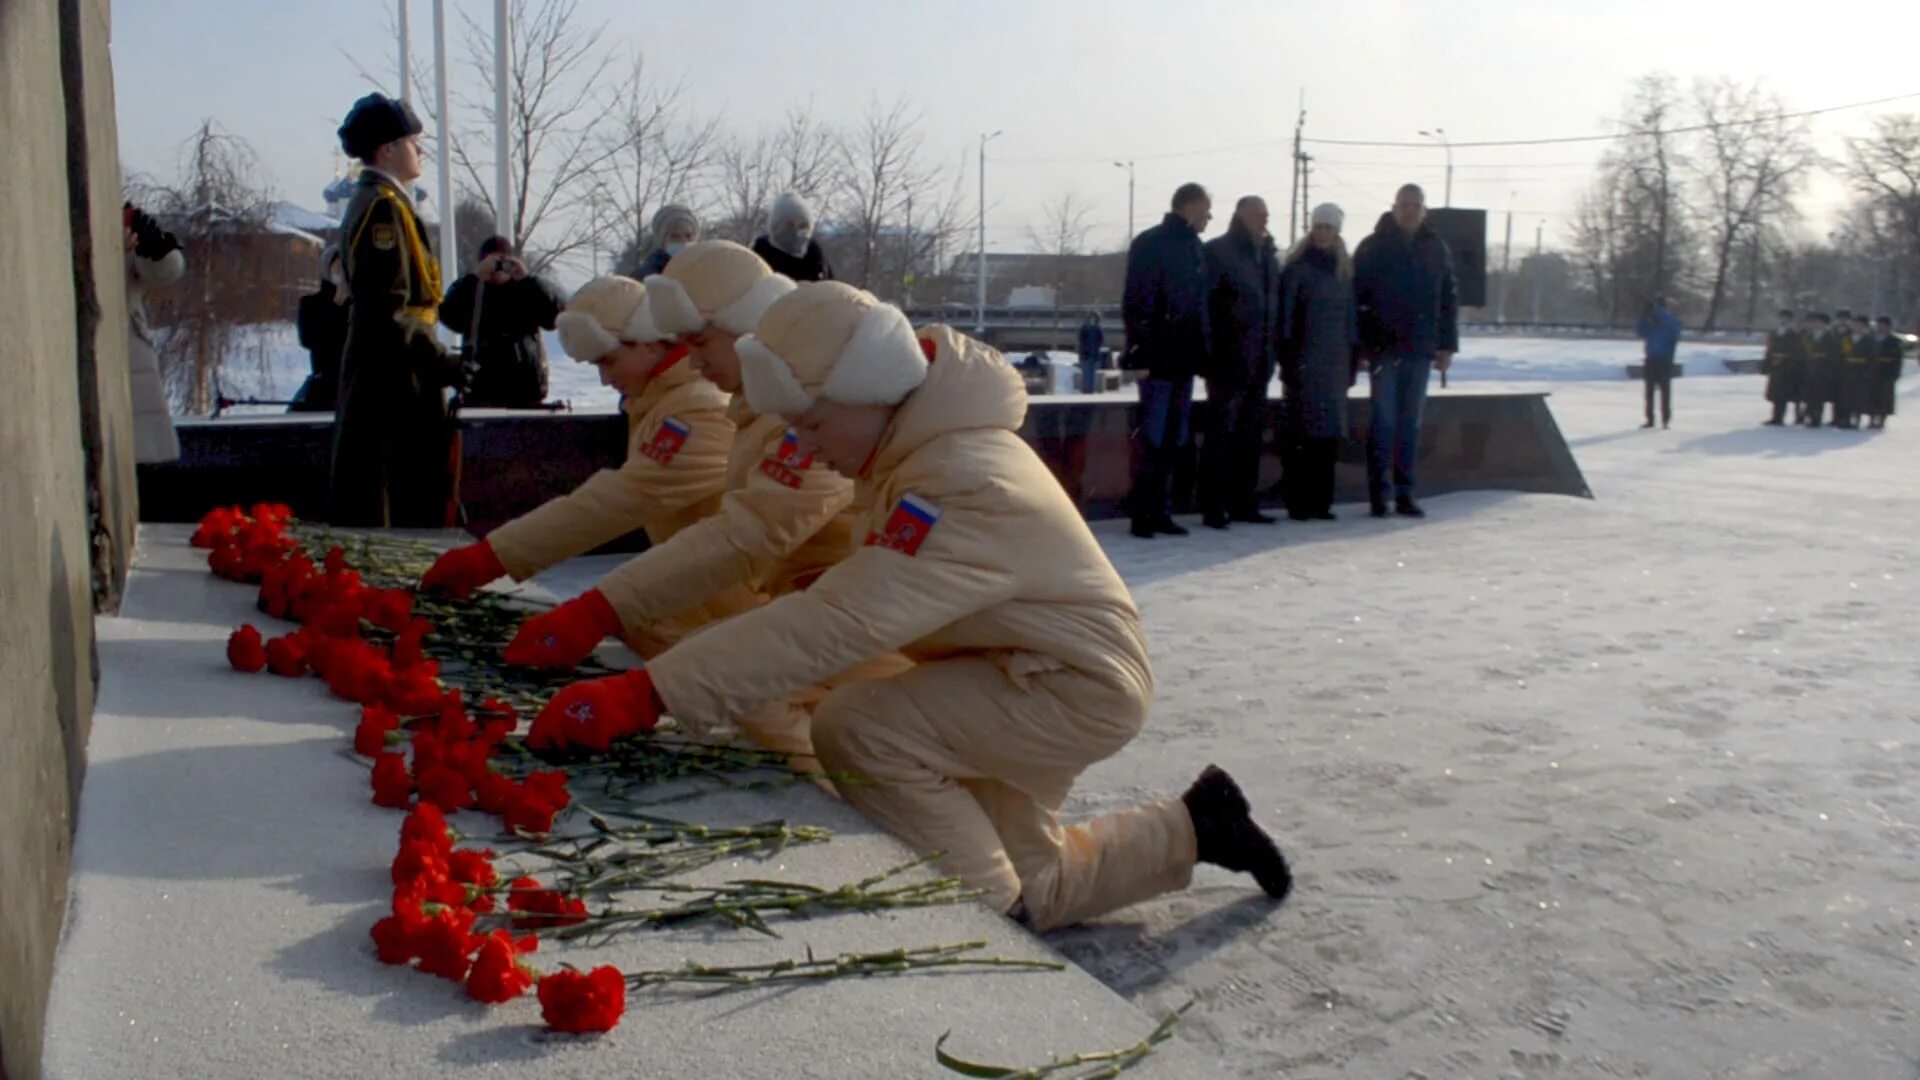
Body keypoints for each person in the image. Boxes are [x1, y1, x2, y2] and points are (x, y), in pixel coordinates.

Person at [532, 282, 1294, 932]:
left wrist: (648, 692)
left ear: (866, 392)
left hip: (1061, 686)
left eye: (814, 424)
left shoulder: (958, 478)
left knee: (861, 728)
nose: (805, 446)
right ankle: (1197, 826)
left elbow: (842, 619)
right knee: (1040, 872)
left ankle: (987, 922)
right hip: (1010, 671)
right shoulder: (919, 451)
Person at [420, 276, 743, 656]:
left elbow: (619, 500)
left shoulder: (696, 409)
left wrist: (493, 557)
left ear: (651, 342)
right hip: (708, 591)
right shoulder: (662, 400)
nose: (605, 379)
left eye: (608, 361)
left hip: (737, 604)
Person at [328, 92, 466, 527]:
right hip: (391, 381)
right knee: (393, 502)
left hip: (396, 371)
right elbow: (388, 311)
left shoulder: (382, 200)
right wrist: (441, 361)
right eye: (411, 140)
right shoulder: (383, 208)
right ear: (387, 149)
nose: (419, 149)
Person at [1353, 183, 1457, 518]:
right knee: (1382, 423)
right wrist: (1362, 344)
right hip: (1384, 350)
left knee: (1409, 425)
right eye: (1404, 205)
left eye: (1415, 206)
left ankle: (1405, 493)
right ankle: (1378, 495)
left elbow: (1447, 299)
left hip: (1420, 349)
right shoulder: (1373, 247)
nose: (1409, 211)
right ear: (1394, 207)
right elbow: (1357, 299)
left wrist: (1446, 345)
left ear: (1423, 210)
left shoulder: (1435, 248)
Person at [1121, 182, 1213, 538]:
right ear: (1190, 207)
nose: (1209, 218)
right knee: (1155, 436)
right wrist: (1141, 348)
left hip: (1181, 359)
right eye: (1206, 210)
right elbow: (1137, 301)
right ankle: (1145, 512)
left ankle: (1159, 510)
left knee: (1173, 437)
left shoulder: (1190, 247)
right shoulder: (1156, 244)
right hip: (1161, 358)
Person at [1197, 195, 1280, 530]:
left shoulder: (1268, 257)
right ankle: (1213, 505)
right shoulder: (1218, 252)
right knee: (1221, 434)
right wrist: (1211, 352)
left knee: (1250, 434)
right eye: (1257, 214)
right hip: (1228, 358)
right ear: (1240, 216)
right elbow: (1206, 305)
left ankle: (1244, 501)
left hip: (1260, 358)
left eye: (1266, 214)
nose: (1263, 220)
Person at [1278, 203, 1359, 522]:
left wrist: (1353, 358)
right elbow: (1287, 318)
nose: (1323, 233)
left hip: (1336, 365)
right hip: (1305, 362)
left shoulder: (1344, 270)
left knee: (1328, 437)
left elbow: (1350, 319)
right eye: (1319, 227)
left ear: (1337, 231)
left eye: (1329, 227)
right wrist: (1288, 358)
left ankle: (1322, 501)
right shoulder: (1297, 268)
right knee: (1302, 435)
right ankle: (1298, 502)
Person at [439, 235, 565, 409]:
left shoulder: (526, 290)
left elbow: (554, 318)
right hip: (481, 391)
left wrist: (527, 280)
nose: (499, 269)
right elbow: (448, 316)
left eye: (505, 263)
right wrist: (476, 279)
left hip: (526, 390)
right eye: (493, 263)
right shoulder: (474, 291)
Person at [123, 202, 184, 462]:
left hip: (127, 350)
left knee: (143, 454)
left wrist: (156, 247)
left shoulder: (121, 219)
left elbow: (166, 272)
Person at [292, 246, 348, 413]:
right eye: (337, 267)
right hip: (323, 384)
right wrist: (336, 306)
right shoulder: (311, 304)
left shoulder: (361, 307)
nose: (342, 272)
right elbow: (308, 338)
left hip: (355, 384)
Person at [752, 192, 834, 282]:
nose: (796, 231)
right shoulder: (760, 255)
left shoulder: (815, 257)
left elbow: (830, 290)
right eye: (789, 225)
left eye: (803, 225)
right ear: (775, 227)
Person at [1634, 296, 1681, 430]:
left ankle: (1662, 419)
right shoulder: (1653, 321)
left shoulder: (1669, 320)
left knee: (1661, 391)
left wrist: (1655, 311)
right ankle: (1653, 419)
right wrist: (1645, 316)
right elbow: (1641, 332)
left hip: (1663, 359)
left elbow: (1672, 330)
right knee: (1652, 392)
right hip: (1654, 359)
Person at [1760, 308, 1804, 427]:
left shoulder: (1794, 335)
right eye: (1781, 318)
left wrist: (1792, 366)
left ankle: (1793, 416)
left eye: (1786, 318)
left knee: (1786, 393)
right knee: (1775, 393)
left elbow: (1797, 352)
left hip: (1787, 366)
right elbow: (1769, 350)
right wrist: (1766, 365)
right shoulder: (1774, 333)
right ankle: (1776, 417)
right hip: (1775, 366)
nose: (1783, 321)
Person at [632, 204, 699, 280]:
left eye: (688, 236)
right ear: (662, 240)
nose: (683, 241)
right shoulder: (647, 275)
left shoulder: (704, 266)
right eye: (675, 236)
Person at [1836, 313, 1875, 430]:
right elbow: (1840, 355)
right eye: (1855, 324)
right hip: (1847, 370)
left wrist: (1868, 372)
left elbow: (1872, 359)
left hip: (1861, 370)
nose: (1856, 327)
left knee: (1858, 397)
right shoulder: (1846, 339)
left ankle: (1856, 417)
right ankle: (1845, 418)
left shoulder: (1868, 341)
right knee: (1845, 396)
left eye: (1859, 325)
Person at [1803, 312, 1841, 428]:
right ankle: (1808, 415)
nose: (1817, 325)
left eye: (1820, 323)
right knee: (1809, 394)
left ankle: (1816, 417)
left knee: (1820, 395)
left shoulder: (1831, 337)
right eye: (1815, 322)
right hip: (1810, 368)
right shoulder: (1808, 336)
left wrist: (1830, 370)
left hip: (1823, 369)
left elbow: (1834, 356)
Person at [1867, 315, 1901, 429]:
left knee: (1885, 397)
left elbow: (1897, 359)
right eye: (1879, 325)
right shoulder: (1871, 339)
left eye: (1884, 326)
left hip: (1886, 372)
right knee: (1872, 395)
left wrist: (1895, 373)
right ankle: (1871, 417)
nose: (1881, 328)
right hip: (1872, 371)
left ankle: (1881, 418)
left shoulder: (1894, 341)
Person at [1077, 310, 1105, 394]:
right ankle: (1088, 389)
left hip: (1090, 354)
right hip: (1089, 354)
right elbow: (1100, 341)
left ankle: (1089, 389)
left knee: (1090, 372)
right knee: (1088, 372)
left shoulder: (1087, 328)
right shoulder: (1094, 329)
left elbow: (1100, 341)